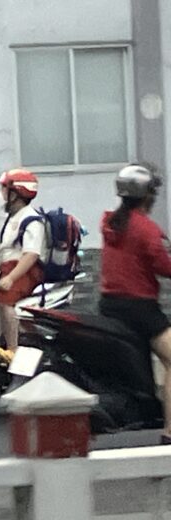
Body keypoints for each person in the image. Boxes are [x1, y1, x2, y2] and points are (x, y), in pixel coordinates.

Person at [99, 164, 171, 445]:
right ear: (147, 196)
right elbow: (163, 266)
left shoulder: (111, 223)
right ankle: (170, 431)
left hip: (110, 304)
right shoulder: (145, 228)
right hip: (140, 308)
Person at [0, 169, 46, 361]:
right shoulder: (14, 218)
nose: (0, 195)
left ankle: (12, 348)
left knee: (4, 298)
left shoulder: (31, 219)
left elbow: (31, 255)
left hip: (22, 270)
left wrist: (11, 278)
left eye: (4, 189)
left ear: (15, 194)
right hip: (7, 266)